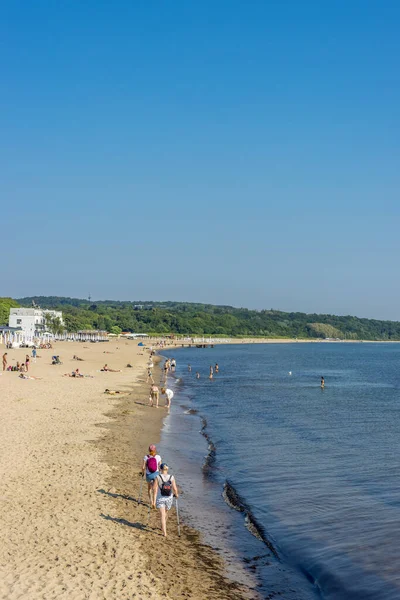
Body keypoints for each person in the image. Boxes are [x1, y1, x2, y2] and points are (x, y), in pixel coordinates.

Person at [156, 463, 179, 537]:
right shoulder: (171, 477)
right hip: (169, 497)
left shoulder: (158, 477)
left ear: (160, 469)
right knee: (166, 513)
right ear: (167, 469)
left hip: (160, 497)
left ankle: (164, 532)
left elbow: (154, 489)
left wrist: (153, 499)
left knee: (162, 515)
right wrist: (176, 494)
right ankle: (163, 527)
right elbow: (175, 488)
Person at [141, 445, 161, 509]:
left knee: (149, 488)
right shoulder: (158, 457)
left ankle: (151, 501)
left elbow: (143, 467)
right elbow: (160, 466)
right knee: (155, 489)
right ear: (155, 450)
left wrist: (142, 472)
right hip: (156, 475)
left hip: (149, 475)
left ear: (149, 450)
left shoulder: (146, 457)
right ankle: (154, 502)